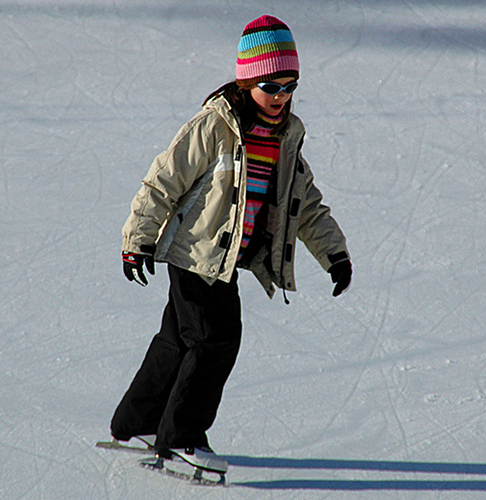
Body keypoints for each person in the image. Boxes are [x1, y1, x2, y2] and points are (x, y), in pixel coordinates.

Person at [109, 15, 352, 473]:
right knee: (216, 338)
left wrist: (333, 253)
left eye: (290, 85)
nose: (281, 96)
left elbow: (306, 204)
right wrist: (137, 239)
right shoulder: (214, 127)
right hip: (196, 255)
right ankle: (181, 437)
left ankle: (136, 422)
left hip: (225, 260)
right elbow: (162, 182)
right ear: (247, 81)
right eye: (271, 85)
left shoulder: (285, 139)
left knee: (178, 341)